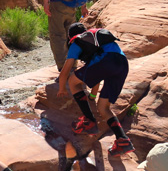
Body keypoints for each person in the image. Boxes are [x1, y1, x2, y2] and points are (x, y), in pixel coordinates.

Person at [57, 23, 134, 156]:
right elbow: (97, 75)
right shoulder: (96, 42)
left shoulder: (77, 42)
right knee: (103, 108)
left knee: (73, 81)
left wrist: (62, 88)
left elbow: (66, 70)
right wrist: (92, 96)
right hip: (122, 63)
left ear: (70, 36)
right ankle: (123, 141)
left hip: (107, 61)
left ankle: (89, 121)